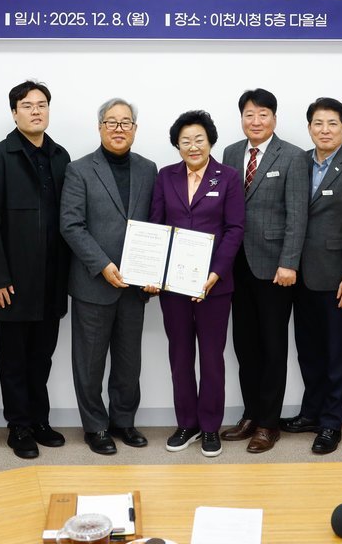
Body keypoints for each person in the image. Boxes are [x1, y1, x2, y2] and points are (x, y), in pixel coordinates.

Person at [0, 80, 71, 459]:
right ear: (14, 113)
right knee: (14, 359)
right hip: (13, 282)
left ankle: (39, 420)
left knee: (42, 356)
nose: (36, 111)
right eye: (28, 105)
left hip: (51, 279)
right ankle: (18, 426)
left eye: (42, 104)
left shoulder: (60, 156)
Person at [60, 98, 158, 456]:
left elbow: (156, 223)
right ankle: (96, 427)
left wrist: (155, 271)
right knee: (89, 363)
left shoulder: (149, 169)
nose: (119, 128)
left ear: (135, 128)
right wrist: (102, 264)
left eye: (125, 122)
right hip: (94, 283)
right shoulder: (79, 169)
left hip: (135, 286)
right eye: (111, 122)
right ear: (100, 127)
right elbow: (71, 224)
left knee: (129, 361)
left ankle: (123, 421)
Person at [281, 97, 342, 456]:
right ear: (309, 128)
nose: (325, 130)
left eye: (332, 123)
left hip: (338, 279)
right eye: (318, 123)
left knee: (336, 355)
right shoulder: (298, 162)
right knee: (308, 352)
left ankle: (331, 423)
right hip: (300, 276)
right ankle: (311, 413)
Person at [151, 110, 245, 457]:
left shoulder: (228, 177)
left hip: (214, 285)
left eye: (199, 139)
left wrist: (215, 273)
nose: (193, 146)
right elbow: (156, 226)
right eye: (185, 141)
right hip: (174, 285)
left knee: (211, 357)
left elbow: (234, 229)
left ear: (210, 142)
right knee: (180, 355)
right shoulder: (165, 176)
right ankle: (186, 424)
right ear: (177, 145)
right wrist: (155, 274)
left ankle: (210, 427)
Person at [219, 88, 307, 454]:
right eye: (249, 114)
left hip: (274, 268)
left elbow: (297, 215)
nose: (255, 121)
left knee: (272, 346)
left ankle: (269, 424)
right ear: (241, 118)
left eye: (263, 114)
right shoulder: (230, 153)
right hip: (235, 265)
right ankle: (251, 414)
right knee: (245, 345)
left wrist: (289, 262)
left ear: (274, 118)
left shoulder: (293, 156)